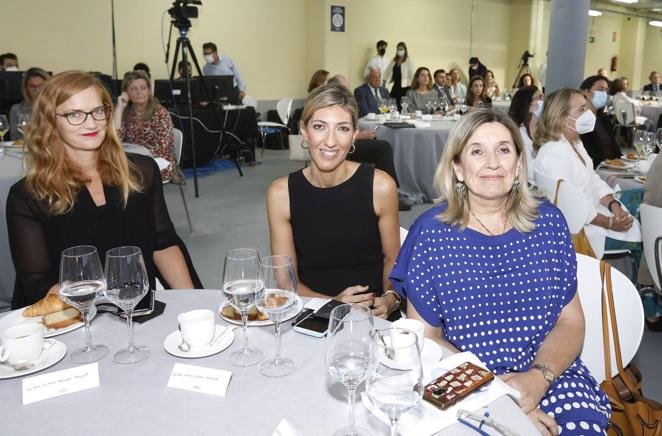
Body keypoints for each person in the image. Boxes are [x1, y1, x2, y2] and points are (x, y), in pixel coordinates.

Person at [391, 108, 611, 434]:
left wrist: (537, 379)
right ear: (458, 167)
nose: (492, 162)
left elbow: (571, 320)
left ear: (519, 164)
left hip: (549, 371)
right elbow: (427, 337)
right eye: (477, 151)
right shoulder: (431, 234)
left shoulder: (548, 223)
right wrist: (496, 396)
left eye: (504, 150)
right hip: (463, 379)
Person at [6, 71, 197, 309]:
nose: (91, 122)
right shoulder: (29, 197)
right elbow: (38, 284)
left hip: (135, 303)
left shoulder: (141, 171)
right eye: (74, 114)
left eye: (98, 111)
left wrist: (194, 305)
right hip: (70, 317)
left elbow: (163, 242)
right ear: (49, 122)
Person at [266, 84, 401, 320]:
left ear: (354, 134)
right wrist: (331, 304)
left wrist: (391, 298)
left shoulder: (380, 186)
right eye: (319, 127)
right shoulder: (281, 193)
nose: (330, 141)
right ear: (304, 131)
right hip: (309, 309)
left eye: (342, 128)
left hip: (370, 315)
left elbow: (393, 260)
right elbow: (286, 282)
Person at [533, 88, 636, 259]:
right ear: (562, 116)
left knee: (636, 207)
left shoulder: (574, 142)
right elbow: (572, 205)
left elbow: (593, 179)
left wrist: (613, 205)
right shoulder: (555, 153)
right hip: (580, 231)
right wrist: (610, 223)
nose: (588, 113)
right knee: (641, 218)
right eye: (582, 109)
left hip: (593, 216)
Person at [329, 74, 410, 211]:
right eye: (345, 88)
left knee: (379, 144)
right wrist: (359, 135)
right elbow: (333, 133)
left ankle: (383, 191)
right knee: (383, 148)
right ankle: (390, 193)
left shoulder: (338, 102)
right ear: (335, 88)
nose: (348, 92)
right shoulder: (331, 105)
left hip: (349, 142)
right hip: (344, 147)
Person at [114, 70, 179, 183]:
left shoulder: (160, 113)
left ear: (149, 90)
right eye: (133, 89)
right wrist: (120, 108)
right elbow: (116, 139)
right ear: (126, 92)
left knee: (122, 179)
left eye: (143, 88)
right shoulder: (127, 112)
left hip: (158, 162)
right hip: (134, 161)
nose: (139, 92)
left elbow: (161, 148)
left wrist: (134, 159)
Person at [578, 75, 621, 168]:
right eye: (601, 89)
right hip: (595, 167)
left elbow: (614, 145)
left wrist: (621, 162)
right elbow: (584, 151)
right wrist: (606, 163)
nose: (604, 93)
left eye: (606, 90)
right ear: (586, 92)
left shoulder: (604, 118)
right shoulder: (580, 119)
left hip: (613, 166)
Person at [507, 85, 542, 184]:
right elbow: (528, 170)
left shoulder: (544, 128)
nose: (543, 101)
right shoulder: (517, 132)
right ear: (527, 104)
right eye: (539, 97)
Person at [9, 67, 50, 139]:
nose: (37, 90)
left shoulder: (57, 106)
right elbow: (15, 138)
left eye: (41, 86)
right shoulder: (16, 109)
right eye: (32, 86)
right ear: (26, 88)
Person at [383, 42, 415, 107]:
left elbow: (413, 75)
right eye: (398, 49)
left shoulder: (409, 61)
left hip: (405, 88)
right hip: (396, 86)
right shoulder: (394, 60)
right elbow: (387, 71)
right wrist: (384, 81)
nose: (399, 51)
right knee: (392, 104)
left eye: (401, 49)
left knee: (402, 106)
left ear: (405, 50)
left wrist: (414, 88)